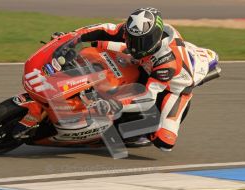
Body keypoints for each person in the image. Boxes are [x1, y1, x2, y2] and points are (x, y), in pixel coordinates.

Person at [53, 7, 219, 151]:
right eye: (132, 38)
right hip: (145, 60)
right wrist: (72, 37)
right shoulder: (136, 33)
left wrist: (116, 104)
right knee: (97, 44)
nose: (133, 44)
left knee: (164, 142)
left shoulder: (167, 61)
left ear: (153, 38)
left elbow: (148, 97)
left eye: (140, 41)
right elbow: (106, 28)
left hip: (173, 87)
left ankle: (137, 133)